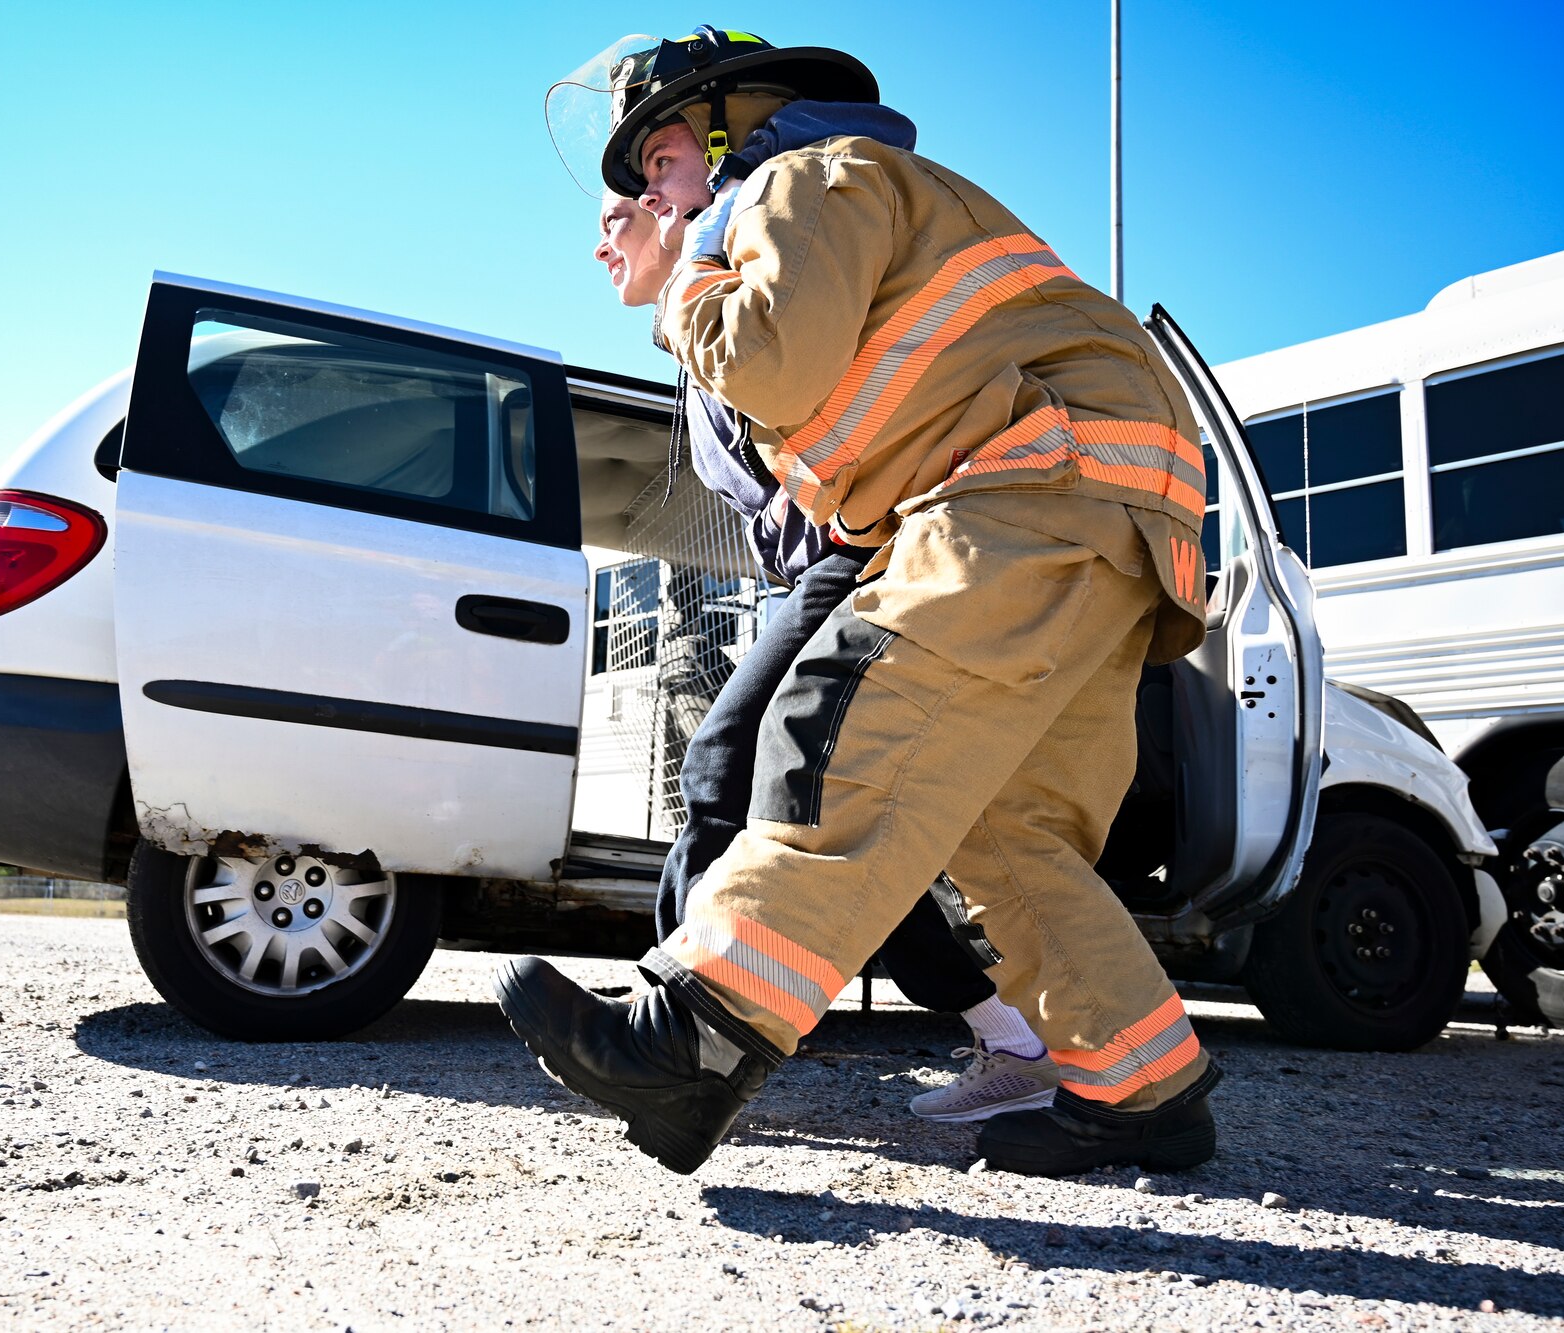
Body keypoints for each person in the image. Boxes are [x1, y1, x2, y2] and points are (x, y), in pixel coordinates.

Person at [500, 28, 1218, 1177]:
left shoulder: (797, 177)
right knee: (1002, 826)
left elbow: (773, 364)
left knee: (841, 736)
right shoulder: (865, 189)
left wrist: (685, 279)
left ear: (735, 125)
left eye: (664, 154)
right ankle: (1142, 1090)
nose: (649, 188)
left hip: (1028, 483)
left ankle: (691, 1040)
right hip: (1110, 504)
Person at [592, 190, 1060, 1124]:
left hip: (872, 545)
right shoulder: (688, 328)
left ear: (672, 206)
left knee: (724, 764)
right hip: (828, 561)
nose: (601, 238)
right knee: (834, 818)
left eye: (622, 211)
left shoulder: (749, 276)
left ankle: (678, 1030)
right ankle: (1013, 1040)